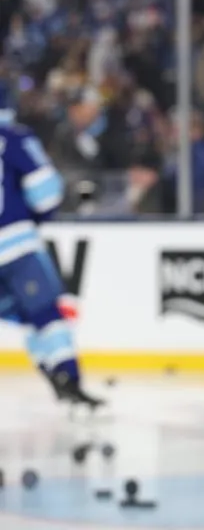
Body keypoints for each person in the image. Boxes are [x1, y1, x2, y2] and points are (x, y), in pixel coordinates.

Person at [0, 83, 103, 408]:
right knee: (45, 313)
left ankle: (54, 374)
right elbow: (46, 191)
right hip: (15, 246)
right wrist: (34, 218)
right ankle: (68, 381)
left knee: (24, 317)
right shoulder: (13, 138)